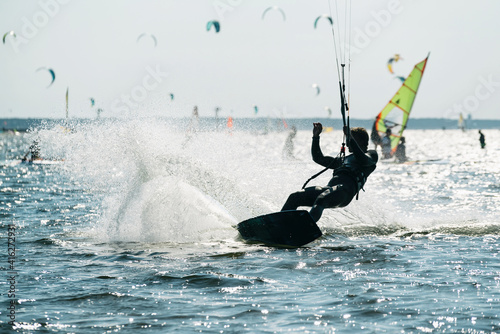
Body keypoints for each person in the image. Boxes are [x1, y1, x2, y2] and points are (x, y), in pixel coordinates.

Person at [281, 123, 378, 223]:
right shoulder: (343, 159)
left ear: (362, 141)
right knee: (294, 197)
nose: (348, 142)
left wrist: (351, 138)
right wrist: (316, 137)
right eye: (348, 138)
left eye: (350, 138)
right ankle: (280, 224)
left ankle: (306, 227)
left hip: (344, 192)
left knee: (322, 199)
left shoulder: (371, 155)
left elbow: (363, 160)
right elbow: (318, 158)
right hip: (329, 189)